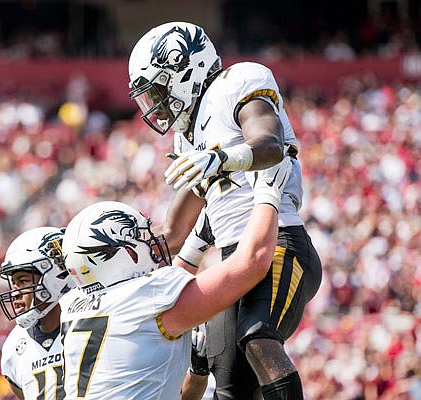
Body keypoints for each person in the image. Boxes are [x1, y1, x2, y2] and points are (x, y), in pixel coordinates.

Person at [128, 21, 323, 399]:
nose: (155, 105)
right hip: (230, 260)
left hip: (279, 241)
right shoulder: (188, 134)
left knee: (257, 336)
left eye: (157, 91)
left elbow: (269, 143)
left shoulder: (238, 82)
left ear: (184, 68)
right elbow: (174, 231)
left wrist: (219, 158)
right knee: (227, 382)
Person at [59, 157, 292, 399]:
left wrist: (196, 244)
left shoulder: (72, 304)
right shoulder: (149, 297)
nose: (150, 241)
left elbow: (158, 295)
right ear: (126, 252)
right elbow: (252, 263)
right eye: (140, 237)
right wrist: (268, 192)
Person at [0, 227, 75, 399]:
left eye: (23, 281)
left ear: (57, 276)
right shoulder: (13, 346)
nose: (15, 293)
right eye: (14, 283)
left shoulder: (87, 323)